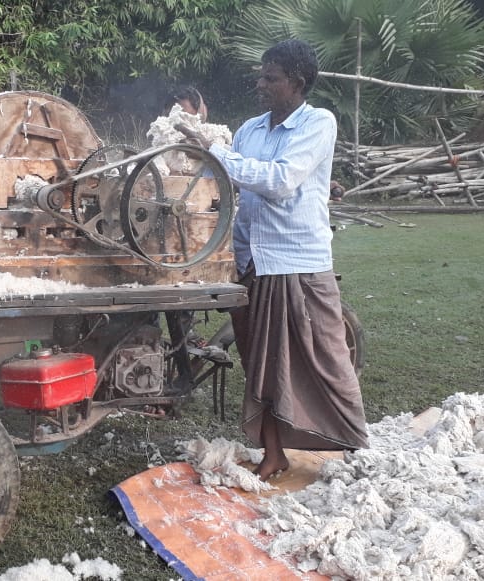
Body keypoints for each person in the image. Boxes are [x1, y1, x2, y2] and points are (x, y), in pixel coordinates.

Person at [178, 40, 367, 481]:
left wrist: (216, 151)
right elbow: (222, 181)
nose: (259, 84)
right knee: (262, 365)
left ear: (297, 83)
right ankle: (275, 451)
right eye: (260, 75)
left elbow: (281, 181)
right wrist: (187, 155)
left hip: (297, 260)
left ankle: (354, 446)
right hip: (252, 262)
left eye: (270, 77)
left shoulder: (318, 123)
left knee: (328, 361)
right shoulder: (250, 130)